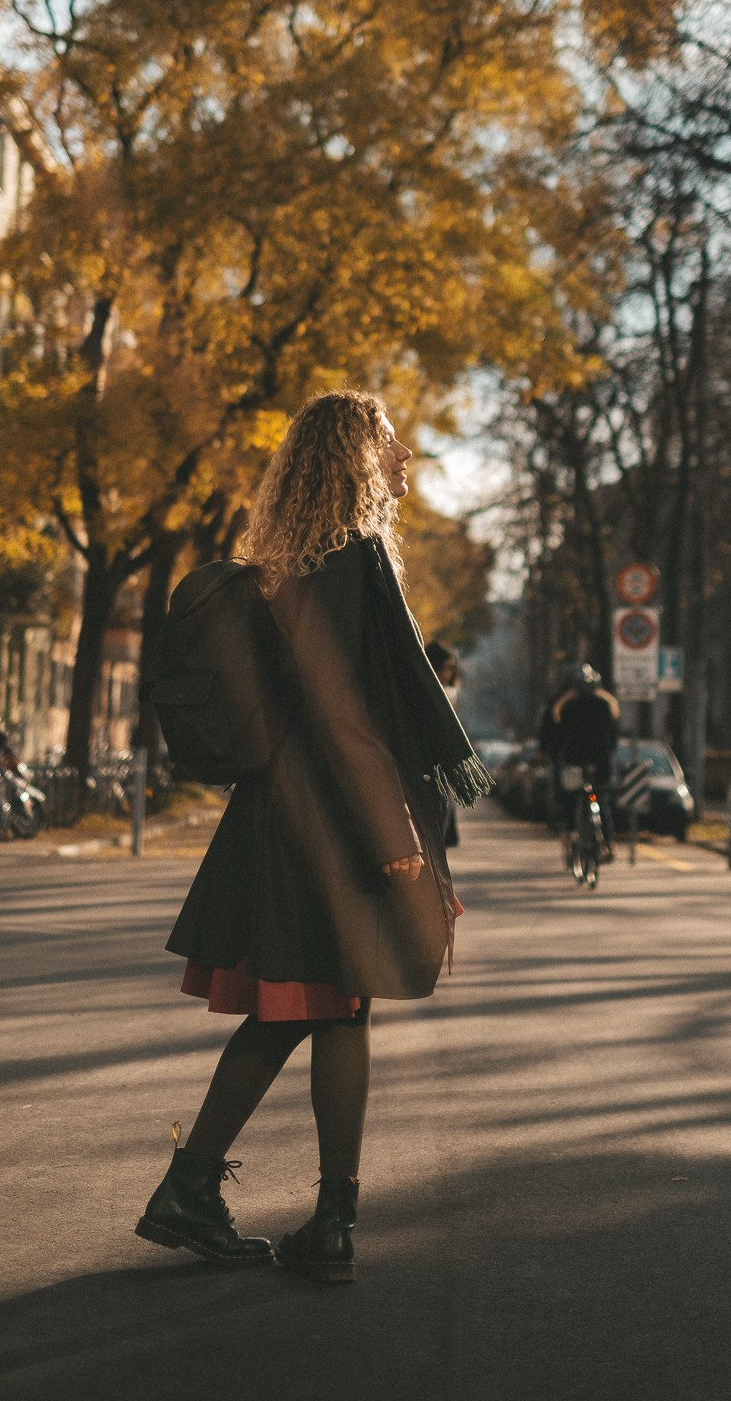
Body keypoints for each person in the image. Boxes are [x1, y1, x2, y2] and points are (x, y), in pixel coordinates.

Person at [135, 390, 491, 1283]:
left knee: (331, 1006)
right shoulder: (344, 563)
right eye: (389, 442)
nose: (405, 455)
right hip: (328, 823)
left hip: (303, 815)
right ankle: (242, 1200)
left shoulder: (312, 564)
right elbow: (343, 716)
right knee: (310, 1006)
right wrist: (398, 841)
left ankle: (308, 1214)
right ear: (353, 461)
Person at [546, 665, 619, 857]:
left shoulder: (566, 706)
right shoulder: (606, 705)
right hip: (600, 762)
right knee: (601, 801)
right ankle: (608, 842)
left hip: (574, 761)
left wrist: (555, 757)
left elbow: (558, 738)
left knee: (572, 798)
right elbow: (613, 738)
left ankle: (571, 832)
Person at [425, 639, 463, 847]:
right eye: (443, 668)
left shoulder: (448, 692)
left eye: (450, 669)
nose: (447, 674)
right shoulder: (427, 692)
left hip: (442, 771)